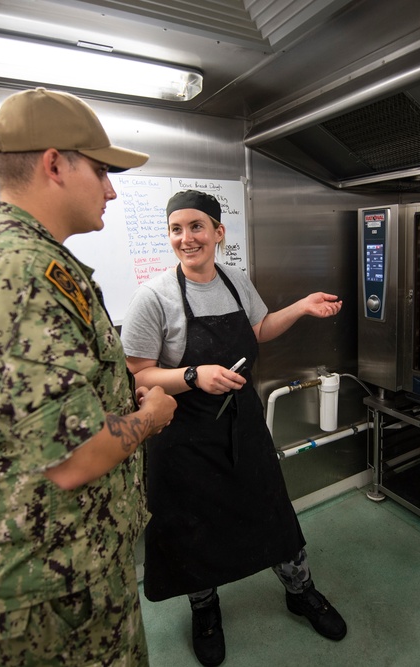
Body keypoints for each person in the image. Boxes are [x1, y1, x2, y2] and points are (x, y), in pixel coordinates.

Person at [0, 88, 177, 667]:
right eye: (102, 170)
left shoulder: (20, 258)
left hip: (72, 562)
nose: (112, 189)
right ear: (54, 163)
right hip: (50, 580)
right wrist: (150, 415)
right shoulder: (18, 271)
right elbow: (74, 458)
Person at [122, 190, 346, 666]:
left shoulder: (236, 280)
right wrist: (191, 376)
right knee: (192, 529)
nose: (187, 238)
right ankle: (205, 611)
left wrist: (302, 306)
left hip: (242, 427)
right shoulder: (154, 297)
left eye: (197, 226)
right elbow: (139, 372)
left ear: (219, 232)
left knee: (273, 512)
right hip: (183, 436)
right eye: (176, 229)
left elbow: (260, 328)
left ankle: (300, 590)